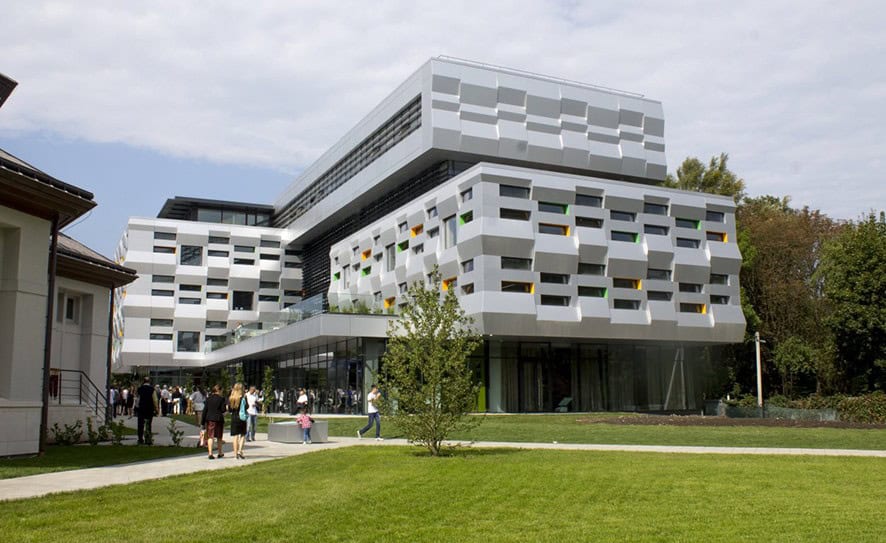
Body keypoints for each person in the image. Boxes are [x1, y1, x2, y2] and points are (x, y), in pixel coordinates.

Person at [202, 385, 226, 459]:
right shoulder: (221, 399)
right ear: (219, 390)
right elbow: (223, 410)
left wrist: (202, 422)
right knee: (219, 437)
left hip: (210, 419)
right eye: (222, 391)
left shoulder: (208, 398)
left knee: (210, 436)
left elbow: (205, 410)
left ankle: (210, 453)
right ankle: (220, 453)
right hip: (218, 419)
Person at [135, 376, 159, 445]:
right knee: (148, 424)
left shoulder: (140, 389)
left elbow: (137, 399)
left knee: (140, 424)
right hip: (149, 408)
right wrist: (156, 409)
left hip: (141, 408)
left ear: (143, 381)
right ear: (149, 382)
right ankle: (148, 439)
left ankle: (140, 439)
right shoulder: (152, 389)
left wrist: (136, 407)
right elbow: (155, 400)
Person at [229, 383, 248, 459]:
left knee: (235, 436)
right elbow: (247, 407)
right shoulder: (243, 397)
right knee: (242, 434)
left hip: (234, 418)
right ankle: (240, 450)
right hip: (242, 418)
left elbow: (230, 409)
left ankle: (235, 454)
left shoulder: (232, 398)